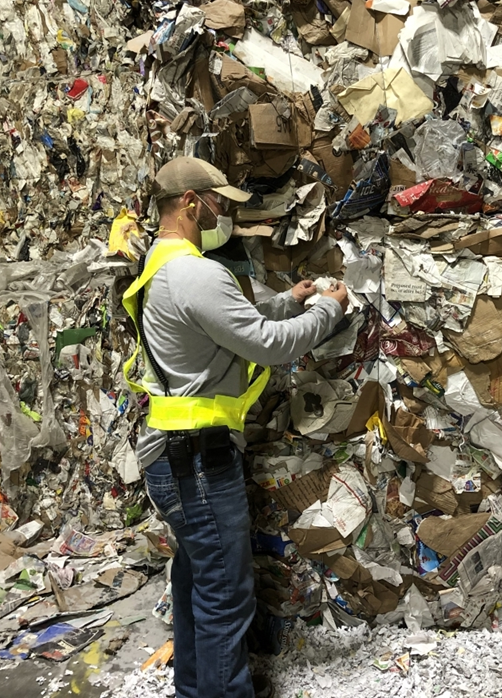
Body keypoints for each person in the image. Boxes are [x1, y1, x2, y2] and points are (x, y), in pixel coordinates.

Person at [122, 157, 347, 698]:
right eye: (217, 201)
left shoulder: (163, 266)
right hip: (196, 460)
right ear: (189, 203)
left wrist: (286, 301)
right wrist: (328, 312)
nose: (223, 212)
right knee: (226, 595)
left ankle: (193, 691)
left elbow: (221, 327)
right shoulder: (195, 272)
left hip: (174, 457)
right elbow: (268, 345)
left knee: (197, 581)